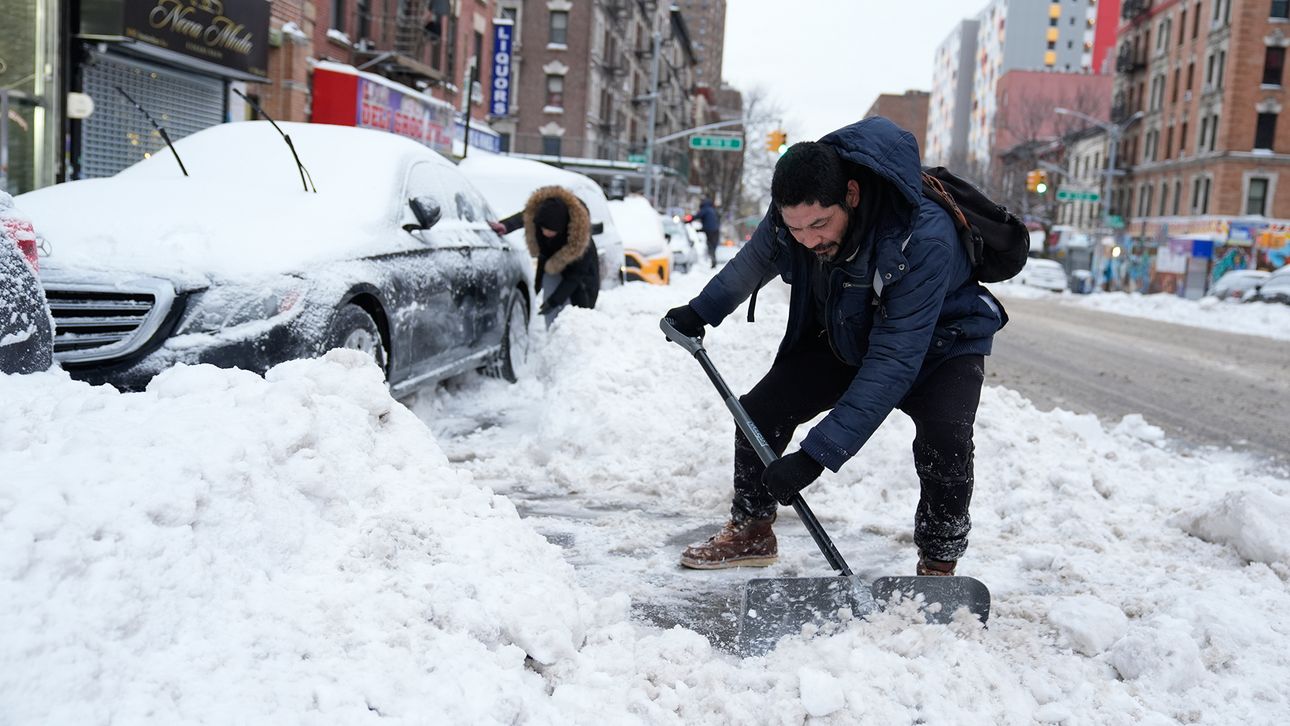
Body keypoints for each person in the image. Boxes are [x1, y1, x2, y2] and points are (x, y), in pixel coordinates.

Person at [663, 117, 1007, 576]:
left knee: (946, 438)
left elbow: (894, 357)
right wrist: (701, 310)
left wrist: (813, 457)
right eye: (797, 229)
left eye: (820, 226)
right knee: (760, 411)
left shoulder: (922, 236)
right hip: (852, 328)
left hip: (942, 342)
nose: (808, 241)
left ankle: (939, 562)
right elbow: (759, 256)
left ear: (852, 194)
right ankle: (752, 529)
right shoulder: (798, 211)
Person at [497, 186, 599, 325]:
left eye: (551, 231)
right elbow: (526, 216)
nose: (545, 233)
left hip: (581, 279)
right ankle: (551, 335)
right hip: (552, 266)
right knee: (551, 305)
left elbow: (575, 276)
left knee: (577, 315)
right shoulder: (541, 215)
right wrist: (505, 226)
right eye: (543, 229)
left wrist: (554, 301)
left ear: (562, 227)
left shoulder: (580, 242)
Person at [695, 197, 721, 268]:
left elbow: (697, 216)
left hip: (710, 231)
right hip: (716, 231)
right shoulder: (713, 210)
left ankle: (713, 260)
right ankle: (713, 260)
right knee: (713, 246)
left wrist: (688, 220)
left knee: (710, 246)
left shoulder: (705, 209)